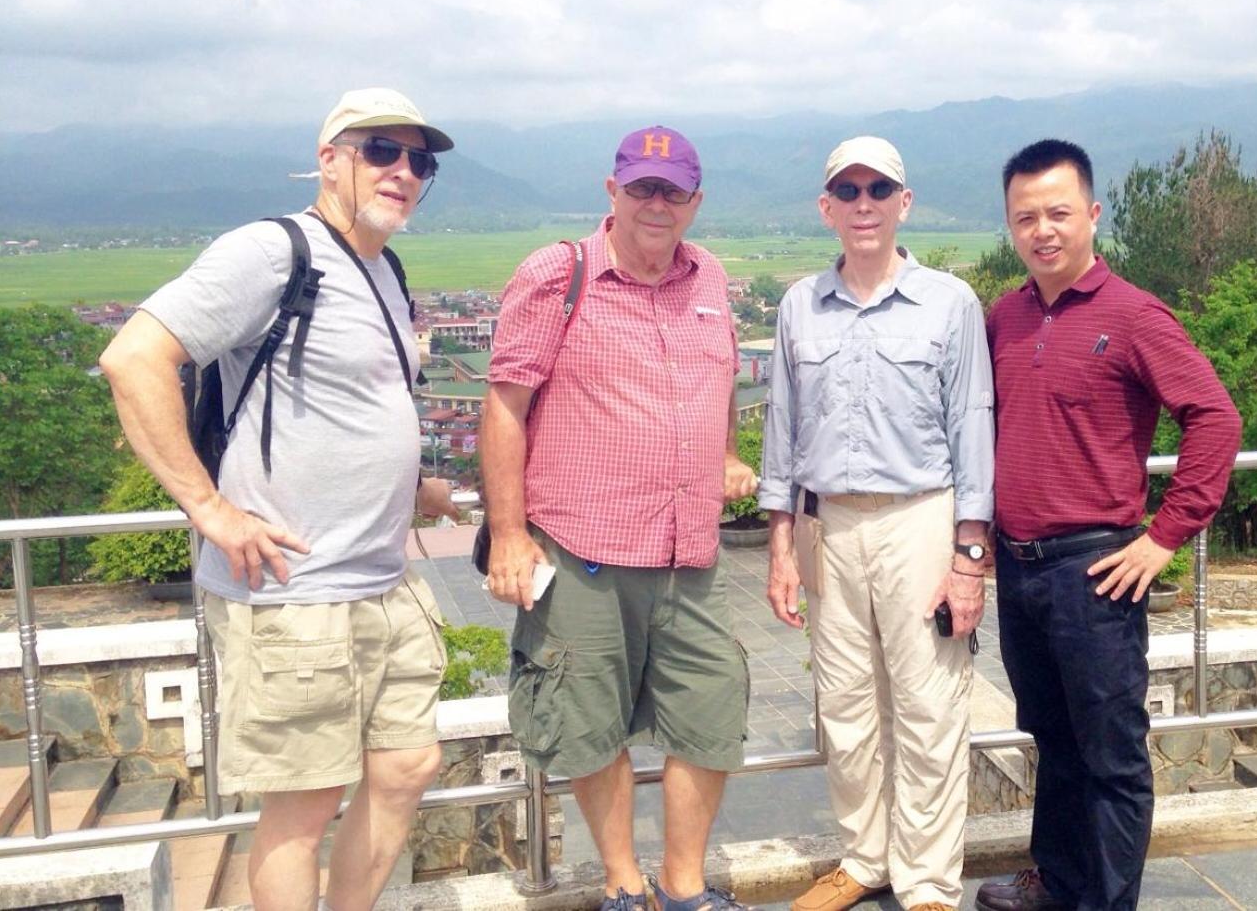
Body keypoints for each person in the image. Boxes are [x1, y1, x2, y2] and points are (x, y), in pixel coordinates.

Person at [98, 88, 460, 911]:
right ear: (329, 160)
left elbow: (344, 410)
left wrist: (416, 487)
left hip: (381, 580)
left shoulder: (382, 267)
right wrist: (209, 508)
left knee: (407, 768)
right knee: (303, 809)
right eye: (381, 150)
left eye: (420, 161)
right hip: (295, 591)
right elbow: (134, 358)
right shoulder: (272, 252)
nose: (404, 171)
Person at [481, 125, 758, 911]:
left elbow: (717, 384)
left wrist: (725, 453)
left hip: (689, 550)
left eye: (672, 191)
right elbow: (504, 407)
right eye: (641, 187)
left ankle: (684, 884)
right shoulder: (558, 273)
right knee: (588, 722)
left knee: (711, 713)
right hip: (584, 551)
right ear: (613, 191)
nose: (656, 203)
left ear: (695, 202)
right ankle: (624, 884)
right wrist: (509, 533)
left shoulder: (710, 278)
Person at [975, 139, 1241, 911]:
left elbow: (1215, 418)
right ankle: (1057, 883)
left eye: (1058, 213)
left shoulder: (1133, 316)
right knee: (1052, 739)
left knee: (1110, 753)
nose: (1043, 230)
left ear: (1092, 214)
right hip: (1018, 567)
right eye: (1026, 217)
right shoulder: (1005, 317)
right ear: (1011, 225)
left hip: (1094, 570)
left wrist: (1164, 536)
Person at [760, 136, 995, 911]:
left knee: (929, 704)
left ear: (904, 203)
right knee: (844, 705)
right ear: (826, 207)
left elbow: (973, 430)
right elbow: (782, 434)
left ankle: (927, 882)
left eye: (878, 190)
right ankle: (865, 858)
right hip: (827, 525)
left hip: (919, 519)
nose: (864, 204)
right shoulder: (800, 306)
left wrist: (969, 557)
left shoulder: (950, 304)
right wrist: (780, 548)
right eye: (848, 191)